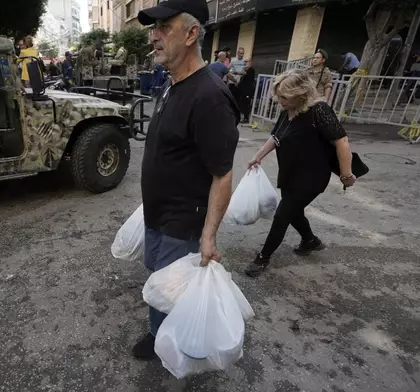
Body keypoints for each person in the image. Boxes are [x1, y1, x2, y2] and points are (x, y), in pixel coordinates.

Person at [133, 0, 240, 359]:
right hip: (158, 212)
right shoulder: (172, 82)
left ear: (192, 33)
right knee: (160, 279)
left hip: (183, 221)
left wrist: (208, 235)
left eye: (164, 28)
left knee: (172, 285)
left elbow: (222, 175)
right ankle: (158, 332)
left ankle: (173, 344)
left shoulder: (210, 97)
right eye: (153, 29)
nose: (154, 37)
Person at [245, 69, 356, 278]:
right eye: (278, 96)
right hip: (290, 173)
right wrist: (258, 156)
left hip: (312, 176)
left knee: (282, 214)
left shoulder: (319, 110)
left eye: (284, 97)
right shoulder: (287, 111)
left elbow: (342, 141)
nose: (280, 101)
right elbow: (276, 138)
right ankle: (310, 240)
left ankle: (263, 257)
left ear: (301, 93)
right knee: (294, 211)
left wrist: (346, 175)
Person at [238, 58, 256, 123]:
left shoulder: (251, 69)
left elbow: (243, 73)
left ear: (250, 62)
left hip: (248, 90)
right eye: (244, 62)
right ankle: (244, 117)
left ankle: (246, 118)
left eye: (246, 61)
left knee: (246, 104)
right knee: (243, 103)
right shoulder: (247, 69)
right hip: (244, 90)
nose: (245, 63)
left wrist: (236, 71)